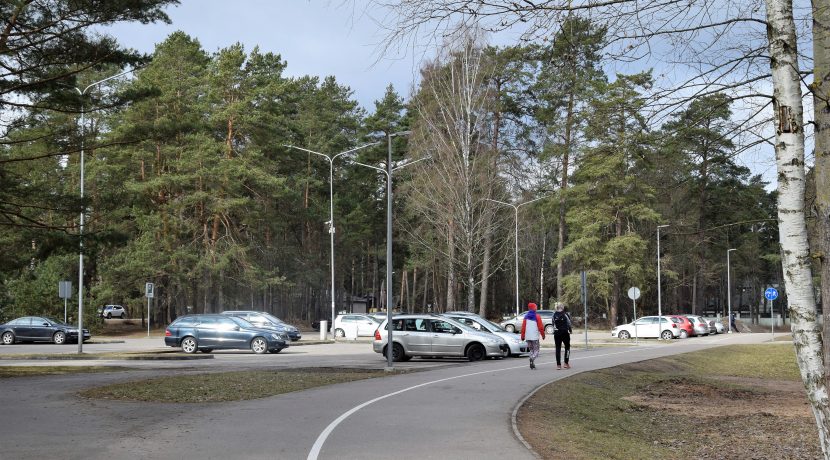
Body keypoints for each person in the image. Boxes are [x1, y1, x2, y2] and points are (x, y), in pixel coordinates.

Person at [521, 302, 545, 370]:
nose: (536, 308)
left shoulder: (525, 317)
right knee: (536, 351)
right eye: (535, 307)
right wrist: (543, 335)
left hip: (528, 337)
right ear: (534, 308)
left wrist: (522, 336)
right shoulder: (537, 316)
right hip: (535, 337)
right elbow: (540, 327)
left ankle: (532, 363)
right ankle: (532, 359)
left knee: (531, 350)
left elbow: (523, 327)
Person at [552, 303, 573, 370]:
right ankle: (566, 363)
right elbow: (569, 323)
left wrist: (555, 331)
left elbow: (553, 324)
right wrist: (570, 330)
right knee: (567, 347)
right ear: (562, 308)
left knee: (558, 348)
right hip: (564, 333)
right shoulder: (565, 314)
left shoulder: (554, 315)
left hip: (557, 333)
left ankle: (558, 365)